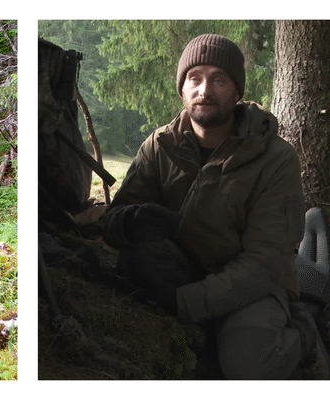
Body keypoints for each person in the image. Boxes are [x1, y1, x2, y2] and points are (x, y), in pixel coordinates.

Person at [103, 33, 329, 379]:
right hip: (187, 265)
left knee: (247, 363)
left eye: (218, 79)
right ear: (182, 88)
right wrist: (130, 222)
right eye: (195, 78)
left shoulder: (274, 157)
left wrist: (187, 303)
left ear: (237, 91)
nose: (204, 90)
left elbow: (265, 261)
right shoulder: (160, 145)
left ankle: (305, 330)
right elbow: (114, 221)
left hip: (253, 285)